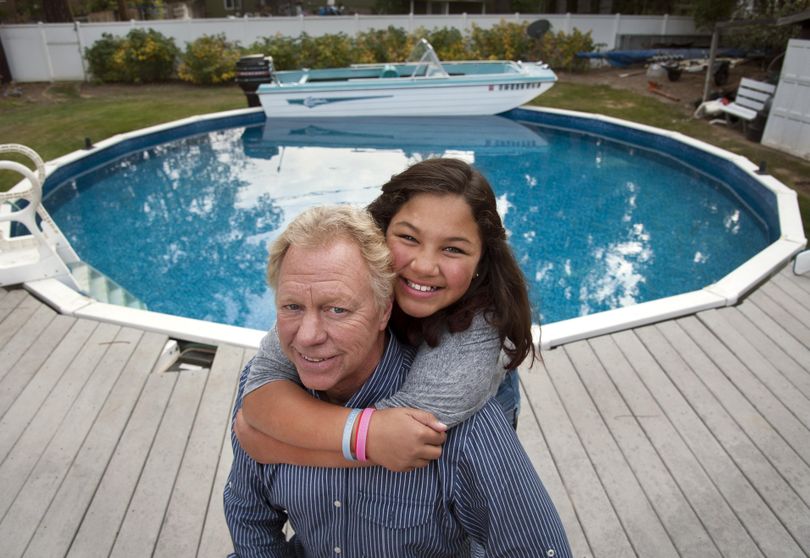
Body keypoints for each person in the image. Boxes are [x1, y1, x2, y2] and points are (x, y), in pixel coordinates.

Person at [224, 204, 571, 557]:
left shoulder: (464, 421)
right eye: (292, 307)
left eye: (337, 310)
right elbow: (250, 517)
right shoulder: (266, 392)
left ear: (384, 310)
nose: (308, 336)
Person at [237, 158, 534, 471]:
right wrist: (366, 436)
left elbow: (398, 441)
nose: (423, 265)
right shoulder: (354, 271)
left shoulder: (476, 338)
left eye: (453, 249)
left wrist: (272, 447)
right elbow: (264, 384)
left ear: (481, 262)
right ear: (382, 229)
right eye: (408, 238)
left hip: (473, 415)